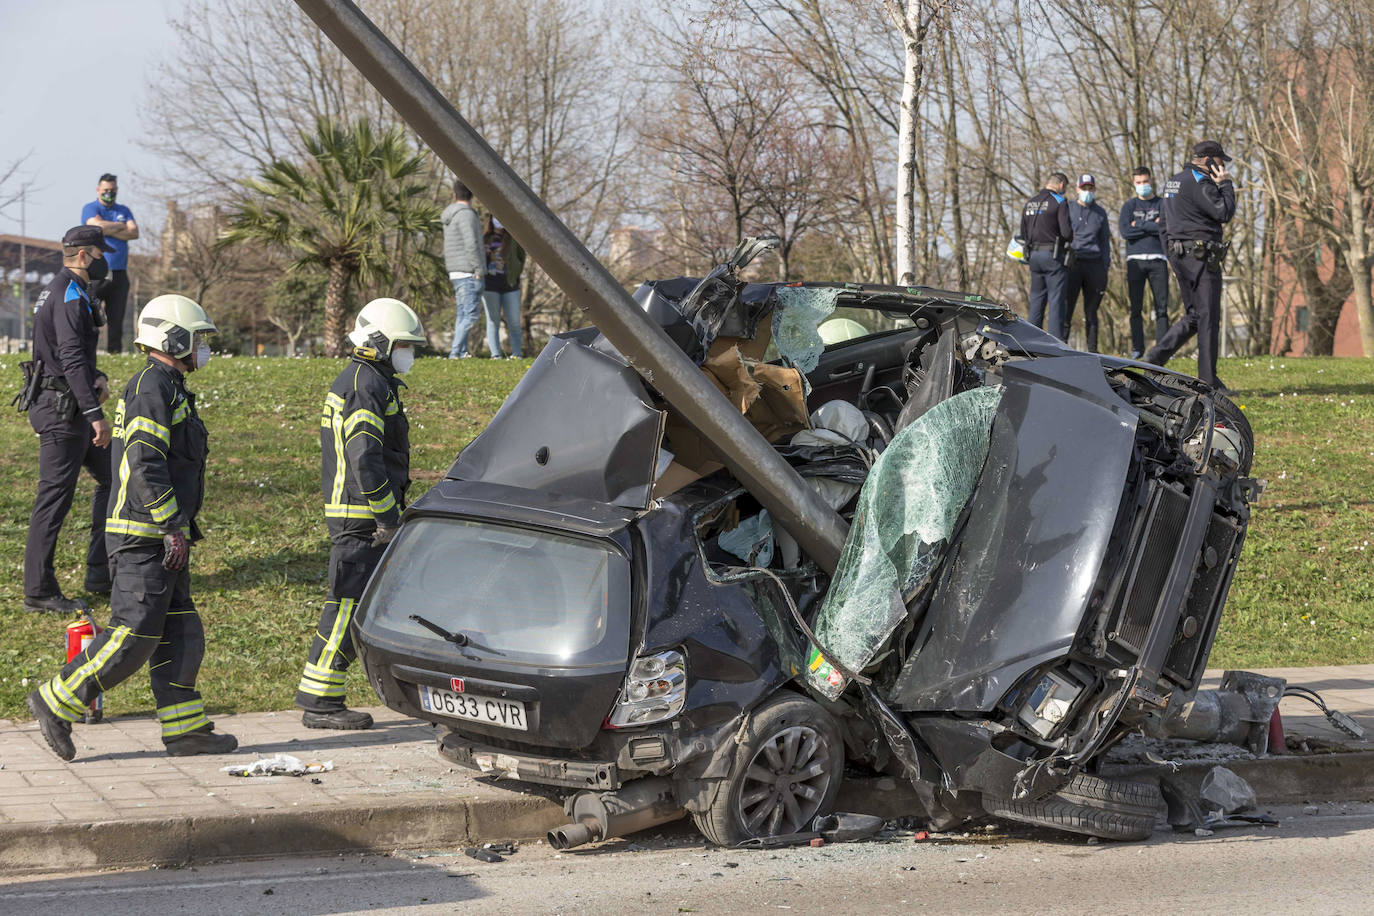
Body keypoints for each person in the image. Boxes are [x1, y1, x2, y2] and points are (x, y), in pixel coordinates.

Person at [26, 295, 237, 761]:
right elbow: (145, 461)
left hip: (164, 535)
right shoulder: (151, 388)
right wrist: (169, 525)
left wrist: (176, 528)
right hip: (146, 535)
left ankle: (186, 731)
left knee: (182, 633)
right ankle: (55, 699)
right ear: (173, 337)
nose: (202, 348)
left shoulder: (168, 385)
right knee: (134, 633)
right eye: (198, 339)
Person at [296, 298, 425, 729]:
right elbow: (364, 458)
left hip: (360, 514)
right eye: (404, 345)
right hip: (361, 518)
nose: (410, 353)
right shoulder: (366, 385)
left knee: (354, 606)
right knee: (348, 607)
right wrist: (388, 518)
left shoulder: (366, 379)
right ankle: (319, 701)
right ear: (380, 343)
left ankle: (323, 694)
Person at [23, 226, 116, 613]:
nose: (103, 262)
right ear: (82, 255)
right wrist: (96, 416)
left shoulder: (63, 289)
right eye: (99, 254)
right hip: (62, 412)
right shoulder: (69, 295)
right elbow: (71, 358)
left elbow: (69, 357)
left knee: (114, 477)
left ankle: (99, 571)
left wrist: (97, 380)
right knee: (53, 500)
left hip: (69, 402)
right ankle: (39, 591)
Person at [1145, 141, 1237, 392]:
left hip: (1180, 256)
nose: (1222, 167)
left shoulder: (1173, 182)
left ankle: (1155, 357)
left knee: (1195, 316)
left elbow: (1162, 224)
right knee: (1208, 316)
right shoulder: (1201, 182)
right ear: (1208, 160)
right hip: (1201, 256)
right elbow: (1223, 211)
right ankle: (1208, 381)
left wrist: (1171, 259)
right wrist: (1226, 184)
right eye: (1220, 162)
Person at [81, 174, 140, 353]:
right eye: (106, 190)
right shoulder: (90, 208)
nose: (109, 193)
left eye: (112, 190)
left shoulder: (124, 209)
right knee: (90, 313)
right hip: (97, 272)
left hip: (120, 273)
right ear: (98, 190)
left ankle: (115, 352)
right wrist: (120, 226)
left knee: (117, 316)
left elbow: (134, 232)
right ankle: (86, 350)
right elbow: (94, 227)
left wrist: (107, 228)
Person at [1119, 166, 1170, 359]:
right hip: (1135, 261)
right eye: (1139, 183)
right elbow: (1125, 232)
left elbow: (1165, 228)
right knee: (1136, 308)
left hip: (1158, 259)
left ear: (1151, 181)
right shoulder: (1128, 206)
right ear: (1134, 184)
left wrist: (1138, 225)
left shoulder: (1162, 204)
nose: (1142, 186)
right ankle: (1137, 349)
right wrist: (1152, 226)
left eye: (1145, 182)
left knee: (1161, 308)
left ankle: (1164, 349)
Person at [1018, 172, 1074, 338]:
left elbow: (1023, 232)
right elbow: (1066, 233)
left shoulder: (1030, 202)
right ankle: (1054, 345)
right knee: (1056, 303)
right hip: (1053, 257)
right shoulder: (1059, 201)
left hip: (1033, 257)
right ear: (1061, 184)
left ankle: (1030, 341)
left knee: (1036, 301)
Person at [1063, 174, 1112, 352]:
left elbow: (1105, 242)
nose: (1087, 191)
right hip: (1073, 263)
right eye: (1083, 188)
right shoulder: (1068, 208)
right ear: (1077, 189)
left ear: (1094, 190)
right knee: (1066, 308)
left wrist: (1105, 266)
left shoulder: (1100, 213)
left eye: (1090, 188)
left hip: (1095, 265)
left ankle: (1093, 350)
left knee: (1091, 311)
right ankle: (1060, 348)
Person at [442, 181, 484, 358]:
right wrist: (478, 269)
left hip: (455, 270)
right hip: (468, 271)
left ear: (454, 195)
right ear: (472, 195)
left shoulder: (449, 215)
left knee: (462, 312)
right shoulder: (466, 215)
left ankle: (461, 352)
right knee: (471, 315)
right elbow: (471, 244)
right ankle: (454, 353)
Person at [481, 214, 525, 359]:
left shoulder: (513, 238)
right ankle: (496, 355)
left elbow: (521, 257)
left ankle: (517, 354)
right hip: (489, 285)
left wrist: (515, 271)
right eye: (496, 218)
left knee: (514, 322)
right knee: (493, 320)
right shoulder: (484, 238)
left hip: (510, 284)